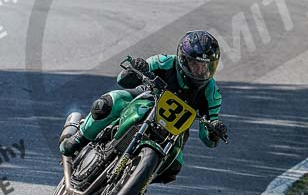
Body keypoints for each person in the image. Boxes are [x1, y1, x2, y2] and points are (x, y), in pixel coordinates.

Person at [60, 31, 227, 184]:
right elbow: (122, 80)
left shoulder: (212, 93)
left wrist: (214, 131)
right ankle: (80, 137)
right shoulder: (164, 62)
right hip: (145, 100)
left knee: (174, 166)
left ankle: (137, 181)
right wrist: (137, 69)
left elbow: (208, 137)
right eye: (195, 64)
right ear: (183, 58)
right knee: (109, 103)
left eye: (205, 66)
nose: (200, 70)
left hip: (175, 132)